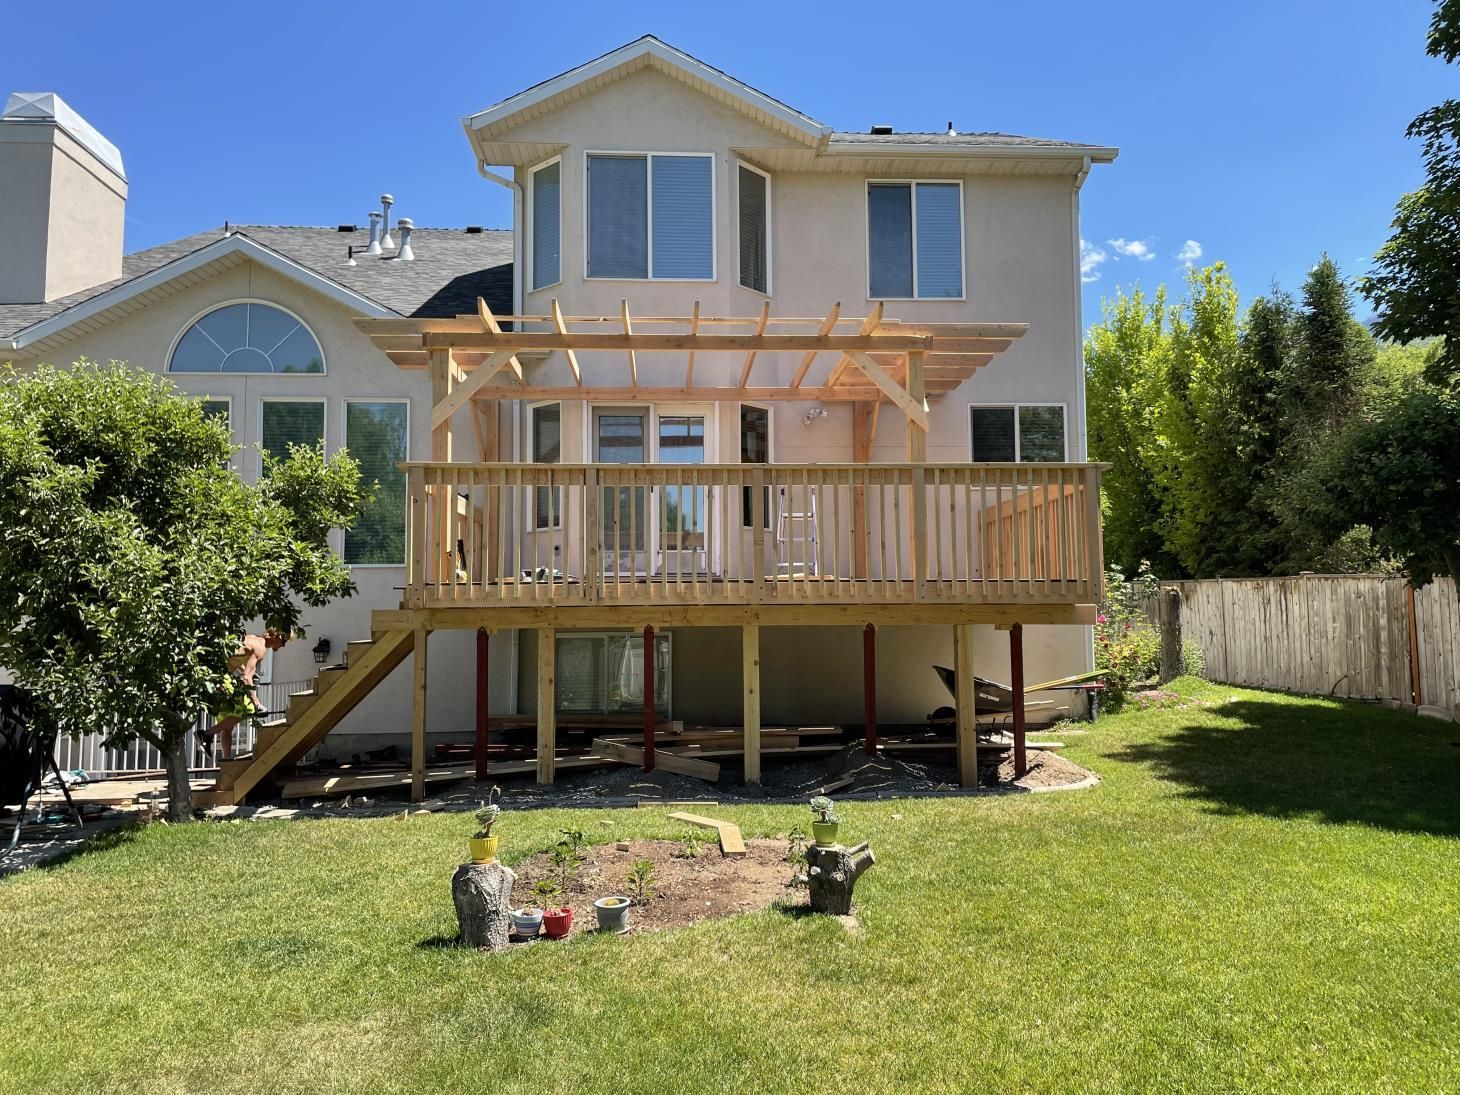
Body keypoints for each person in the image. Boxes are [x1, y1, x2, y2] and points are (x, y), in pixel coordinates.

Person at [208, 630, 288, 760]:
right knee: (248, 710)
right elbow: (246, 678)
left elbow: (234, 658)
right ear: (277, 636)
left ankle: (226, 759)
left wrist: (243, 669)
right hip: (221, 676)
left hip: (214, 674)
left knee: (227, 723)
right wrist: (257, 704)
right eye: (283, 642)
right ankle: (207, 734)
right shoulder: (261, 648)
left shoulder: (251, 638)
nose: (283, 646)